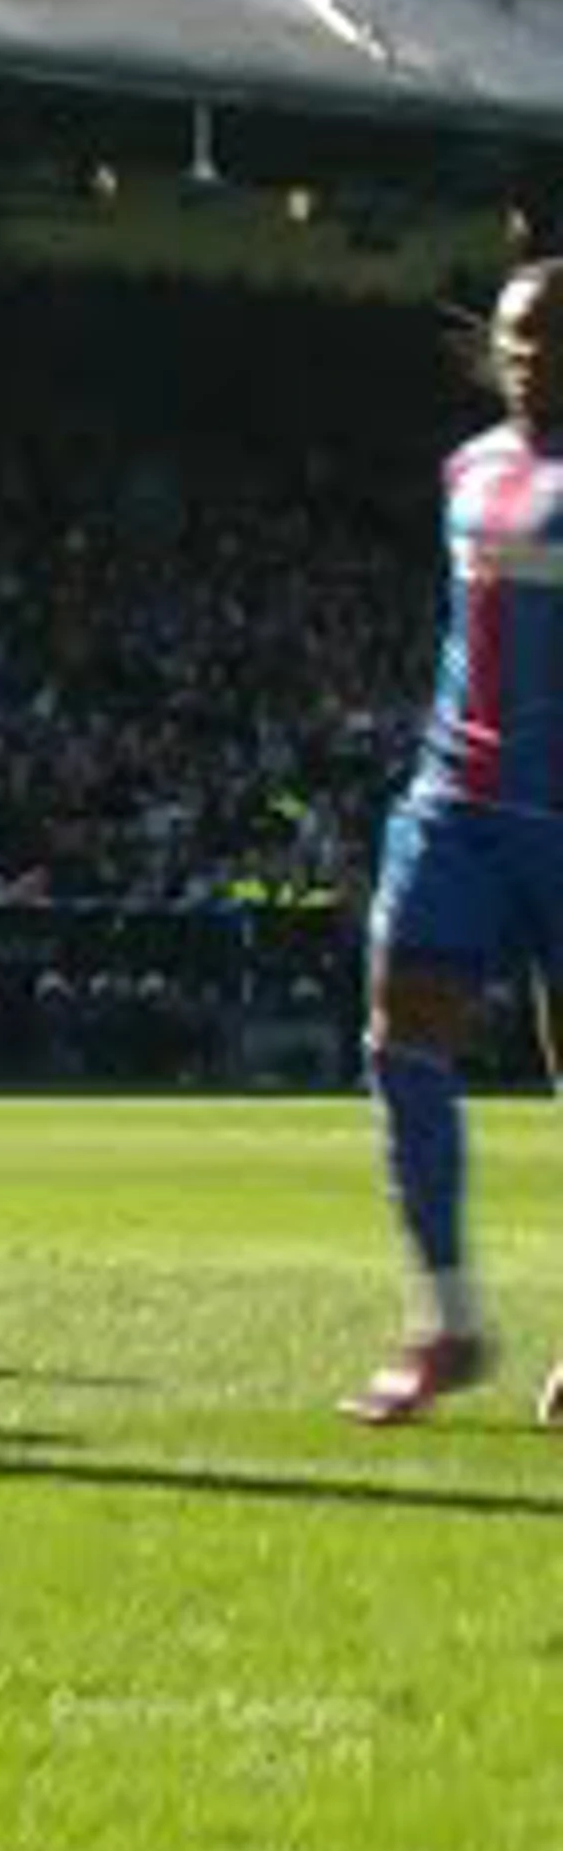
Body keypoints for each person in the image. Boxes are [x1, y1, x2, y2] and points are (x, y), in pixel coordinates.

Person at [345, 259, 563, 1427]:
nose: (532, 358)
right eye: (518, 339)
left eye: (553, 339)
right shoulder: (469, 469)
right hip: (458, 802)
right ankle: (447, 1320)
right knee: (402, 1039)